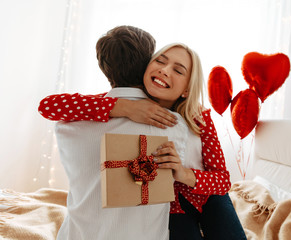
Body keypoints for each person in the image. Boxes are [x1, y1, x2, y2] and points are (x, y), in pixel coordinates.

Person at [39, 32, 247, 240]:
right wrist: (124, 107)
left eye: (178, 70)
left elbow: (222, 181)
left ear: (186, 90)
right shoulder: (125, 101)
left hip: (204, 196)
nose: (165, 71)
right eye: (160, 61)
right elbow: (48, 106)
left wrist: (183, 174)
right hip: (169, 208)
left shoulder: (199, 117)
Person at [49, 25, 190, 240]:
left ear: (103, 68)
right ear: (147, 65)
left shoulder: (67, 122)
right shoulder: (173, 124)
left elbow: (49, 106)